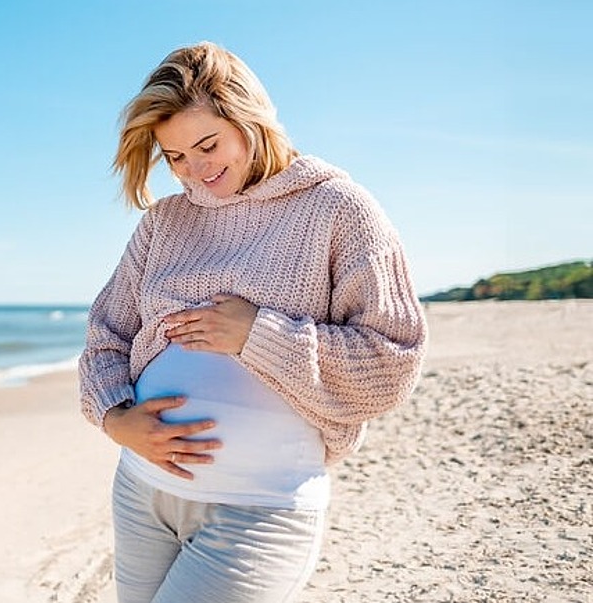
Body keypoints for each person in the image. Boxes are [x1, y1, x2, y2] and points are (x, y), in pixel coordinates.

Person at [78, 41, 428, 603]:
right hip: (142, 492)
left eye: (207, 144)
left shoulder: (338, 207)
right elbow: (106, 334)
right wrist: (114, 417)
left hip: (262, 506)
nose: (194, 170)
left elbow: (393, 360)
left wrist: (256, 335)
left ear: (250, 119)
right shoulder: (165, 222)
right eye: (175, 157)